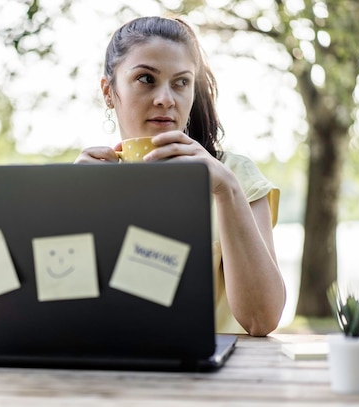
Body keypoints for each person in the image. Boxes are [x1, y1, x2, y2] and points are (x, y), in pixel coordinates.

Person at [75, 16, 285, 337]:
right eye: (146, 79)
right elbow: (67, 313)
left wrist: (226, 189)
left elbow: (262, 320)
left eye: (181, 82)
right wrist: (67, 204)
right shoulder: (86, 180)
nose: (166, 99)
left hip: (220, 378)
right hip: (117, 374)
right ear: (108, 90)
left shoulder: (235, 176)